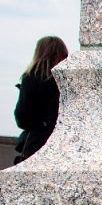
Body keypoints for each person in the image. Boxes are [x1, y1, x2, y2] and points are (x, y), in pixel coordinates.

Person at [13, 36, 69, 164]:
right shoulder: (70, 78)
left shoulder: (31, 77)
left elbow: (22, 118)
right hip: (67, 144)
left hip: (39, 144)